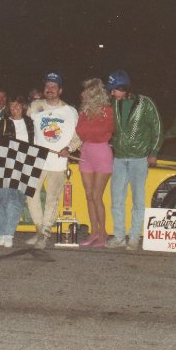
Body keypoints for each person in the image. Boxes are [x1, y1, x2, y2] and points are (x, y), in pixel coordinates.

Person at [105, 69, 163, 251]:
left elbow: (158, 128)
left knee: (138, 199)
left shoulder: (146, 103)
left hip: (139, 159)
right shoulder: (113, 103)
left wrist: (154, 152)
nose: (112, 93)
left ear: (124, 88)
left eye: (115, 90)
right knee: (116, 199)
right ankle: (119, 236)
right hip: (119, 158)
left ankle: (134, 236)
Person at [25, 72, 81, 249]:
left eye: (53, 87)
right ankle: (40, 230)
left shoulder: (70, 111)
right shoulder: (35, 106)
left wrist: (69, 149)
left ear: (60, 90)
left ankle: (45, 232)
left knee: (52, 198)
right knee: (30, 194)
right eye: (47, 86)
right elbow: (25, 129)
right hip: (37, 159)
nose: (49, 90)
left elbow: (79, 136)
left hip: (58, 162)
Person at [0, 96, 35, 248]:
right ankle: (2, 233)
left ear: (23, 107)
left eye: (18, 105)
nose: (15, 108)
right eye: (12, 106)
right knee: (2, 200)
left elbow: (34, 143)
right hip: (4, 164)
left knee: (15, 200)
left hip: (23, 165)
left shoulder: (29, 122)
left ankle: (9, 234)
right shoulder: (3, 122)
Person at [75, 78, 114, 248]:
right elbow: (81, 133)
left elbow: (104, 131)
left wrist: (90, 132)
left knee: (97, 196)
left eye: (85, 91)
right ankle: (93, 232)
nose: (82, 94)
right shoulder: (83, 112)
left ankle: (103, 232)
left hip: (102, 152)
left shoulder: (107, 111)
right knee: (89, 195)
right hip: (86, 152)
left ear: (93, 94)